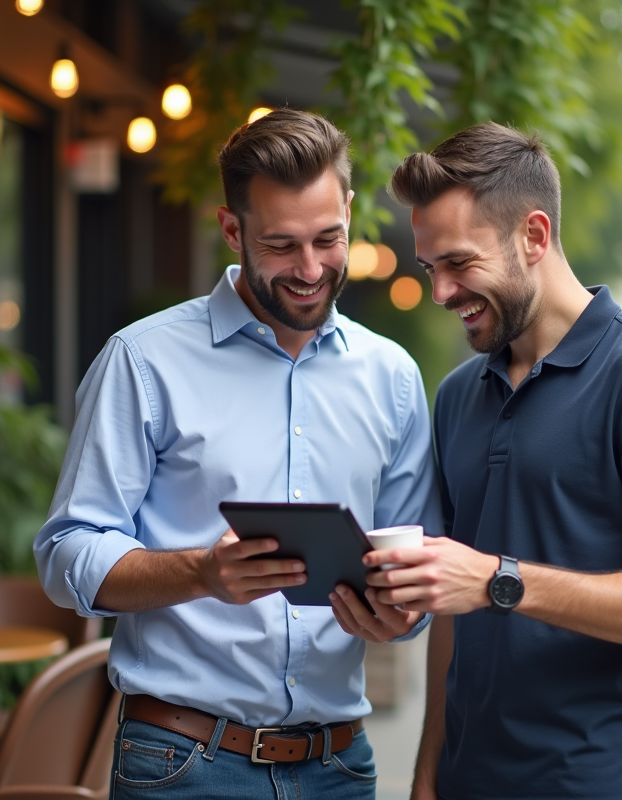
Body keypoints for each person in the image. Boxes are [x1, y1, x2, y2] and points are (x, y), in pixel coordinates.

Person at [34, 109, 441, 800]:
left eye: (327, 239)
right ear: (231, 229)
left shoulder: (393, 377)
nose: (310, 269)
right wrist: (201, 571)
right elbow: (66, 555)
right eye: (281, 245)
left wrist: (401, 610)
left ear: (348, 209)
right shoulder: (143, 362)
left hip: (339, 768)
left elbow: (412, 571)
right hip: (181, 763)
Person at [330, 123, 622, 800]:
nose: (440, 291)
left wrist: (498, 581)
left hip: (603, 782)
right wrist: (428, 774)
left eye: (459, 263)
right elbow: (450, 604)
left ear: (534, 237)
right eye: (431, 268)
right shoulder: (459, 394)